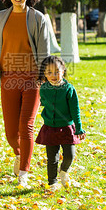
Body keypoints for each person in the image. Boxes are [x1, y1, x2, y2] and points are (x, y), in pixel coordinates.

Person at [0, 0, 50, 188]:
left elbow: (44, 51)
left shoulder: (38, 18)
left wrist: (43, 79)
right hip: (8, 79)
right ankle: (20, 154)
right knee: (11, 133)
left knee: (26, 127)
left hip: (33, 79)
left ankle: (24, 172)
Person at [35, 55, 86, 191]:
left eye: (57, 71)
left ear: (63, 70)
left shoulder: (69, 89)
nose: (53, 75)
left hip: (67, 128)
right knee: (52, 158)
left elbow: (75, 110)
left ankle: (63, 170)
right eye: (49, 72)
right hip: (50, 128)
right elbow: (44, 104)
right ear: (44, 74)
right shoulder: (44, 88)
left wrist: (79, 128)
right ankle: (52, 183)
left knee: (70, 155)